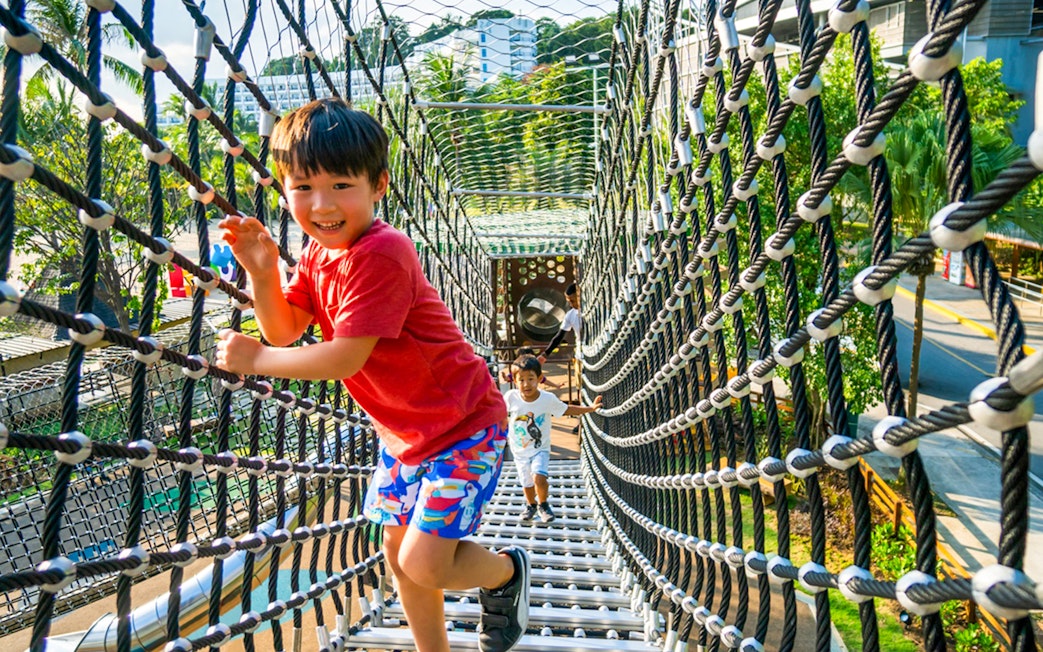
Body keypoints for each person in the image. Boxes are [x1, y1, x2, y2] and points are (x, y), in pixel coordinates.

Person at [215, 99, 529, 652]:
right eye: (304, 187)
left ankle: (505, 573)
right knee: (397, 554)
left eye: (341, 185)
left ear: (378, 183)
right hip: (404, 437)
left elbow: (341, 358)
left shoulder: (382, 251)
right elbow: (286, 330)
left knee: (424, 562)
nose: (322, 204)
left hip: (463, 428)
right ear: (284, 190)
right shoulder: (316, 255)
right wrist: (263, 273)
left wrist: (256, 361)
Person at [503, 355, 602, 523]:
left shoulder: (546, 399)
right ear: (514, 380)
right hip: (519, 450)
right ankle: (530, 505)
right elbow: (498, 412)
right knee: (526, 482)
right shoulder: (511, 397)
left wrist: (589, 409)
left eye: (531, 379)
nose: (526, 384)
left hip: (540, 449)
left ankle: (543, 503)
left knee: (538, 477)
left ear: (540, 379)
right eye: (521, 380)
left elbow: (566, 409)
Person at [539, 283, 582, 431]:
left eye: (573, 300)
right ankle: (583, 421)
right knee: (581, 389)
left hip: (598, 354)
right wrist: (545, 354)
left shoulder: (594, 311)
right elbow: (559, 337)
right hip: (582, 357)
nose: (571, 304)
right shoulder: (571, 315)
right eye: (569, 301)